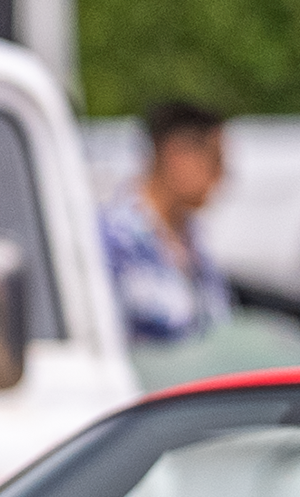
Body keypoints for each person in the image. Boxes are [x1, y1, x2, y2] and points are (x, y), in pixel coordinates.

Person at [96, 100, 233, 347]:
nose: (222, 176)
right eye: (216, 161)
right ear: (177, 154)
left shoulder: (192, 241)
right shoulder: (111, 241)